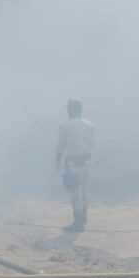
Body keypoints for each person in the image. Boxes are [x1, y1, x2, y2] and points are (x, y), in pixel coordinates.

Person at [55, 99, 95, 232]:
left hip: (72, 162)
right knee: (85, 191)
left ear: (72, 110)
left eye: (68, 109)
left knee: (74, 194)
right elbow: (92, 145)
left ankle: (77, 222)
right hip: (88, 162)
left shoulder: (65, 125)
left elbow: (60, 147)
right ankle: (84, 216)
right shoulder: (89, 125)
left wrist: (58, 162)